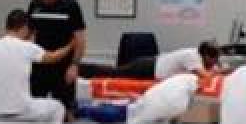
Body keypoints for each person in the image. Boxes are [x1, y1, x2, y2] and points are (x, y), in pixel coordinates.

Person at [0, 9, 72, 123]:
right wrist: (71, 44)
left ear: (6, 27)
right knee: (58, 108)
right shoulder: (27, 47)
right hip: (19, 111)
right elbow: (53, 57)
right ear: (24, 27)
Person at [27, 0, 86, 120]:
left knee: (66, 110)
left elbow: (80, 38)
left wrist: (74, 65)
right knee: (35, 107)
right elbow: (29, 34)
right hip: (40, 65)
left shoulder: (70, 5)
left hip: (63, 66)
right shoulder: (35, 5)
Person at [87, 41, 223, 80]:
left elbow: (210, 71)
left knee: (114, 72)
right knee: (113, 73)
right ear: (206, 56)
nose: (215, 63)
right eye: (214, 59)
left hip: (151, 65)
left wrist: (219, 70)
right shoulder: (192, 57)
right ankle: (84, 69)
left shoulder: (197, 55)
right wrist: (222, 72)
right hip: (147, 68)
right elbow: (205, 76)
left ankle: (84, 69)